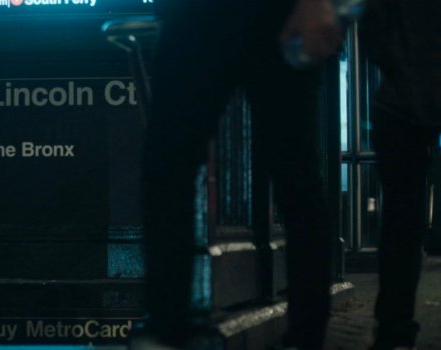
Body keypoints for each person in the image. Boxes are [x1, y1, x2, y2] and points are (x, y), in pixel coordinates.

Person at [141, 0, 342, 348]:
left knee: (294, 176)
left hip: (257, 14)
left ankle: (167, 326)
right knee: (169, 167)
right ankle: (167, 325)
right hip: (220, 14)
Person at [360, 0, 441, 348]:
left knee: (401, 222)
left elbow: (373, 26)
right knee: (403, 221)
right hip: (406, 98)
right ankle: (394, 326)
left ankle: (394, 327)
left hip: (399, 101)